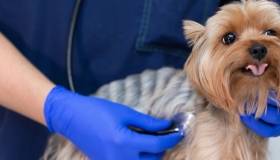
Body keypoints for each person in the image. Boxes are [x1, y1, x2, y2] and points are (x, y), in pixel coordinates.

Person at [0, 0, 279, 159]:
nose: (256, 46)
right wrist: (54, 108)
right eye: (230, 39)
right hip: (16, 132)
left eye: (268, 34)